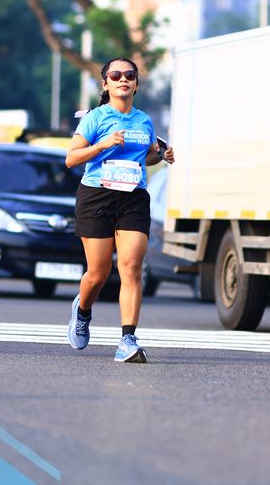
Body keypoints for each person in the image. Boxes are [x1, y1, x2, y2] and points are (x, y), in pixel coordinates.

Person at [65, 57, 175, 363]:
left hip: (133, 197)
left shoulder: (144, 121)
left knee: (131, 267)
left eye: (129, 75)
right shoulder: (95, 118)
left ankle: (128, 339)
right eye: (115, 75)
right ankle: (82, 311)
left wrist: (161, 155)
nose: (123, 79)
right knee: (98, 273)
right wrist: (102, 145)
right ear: (106, 84)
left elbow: (145, 156)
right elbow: (71, 159)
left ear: (136, 84)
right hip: (97, 196)